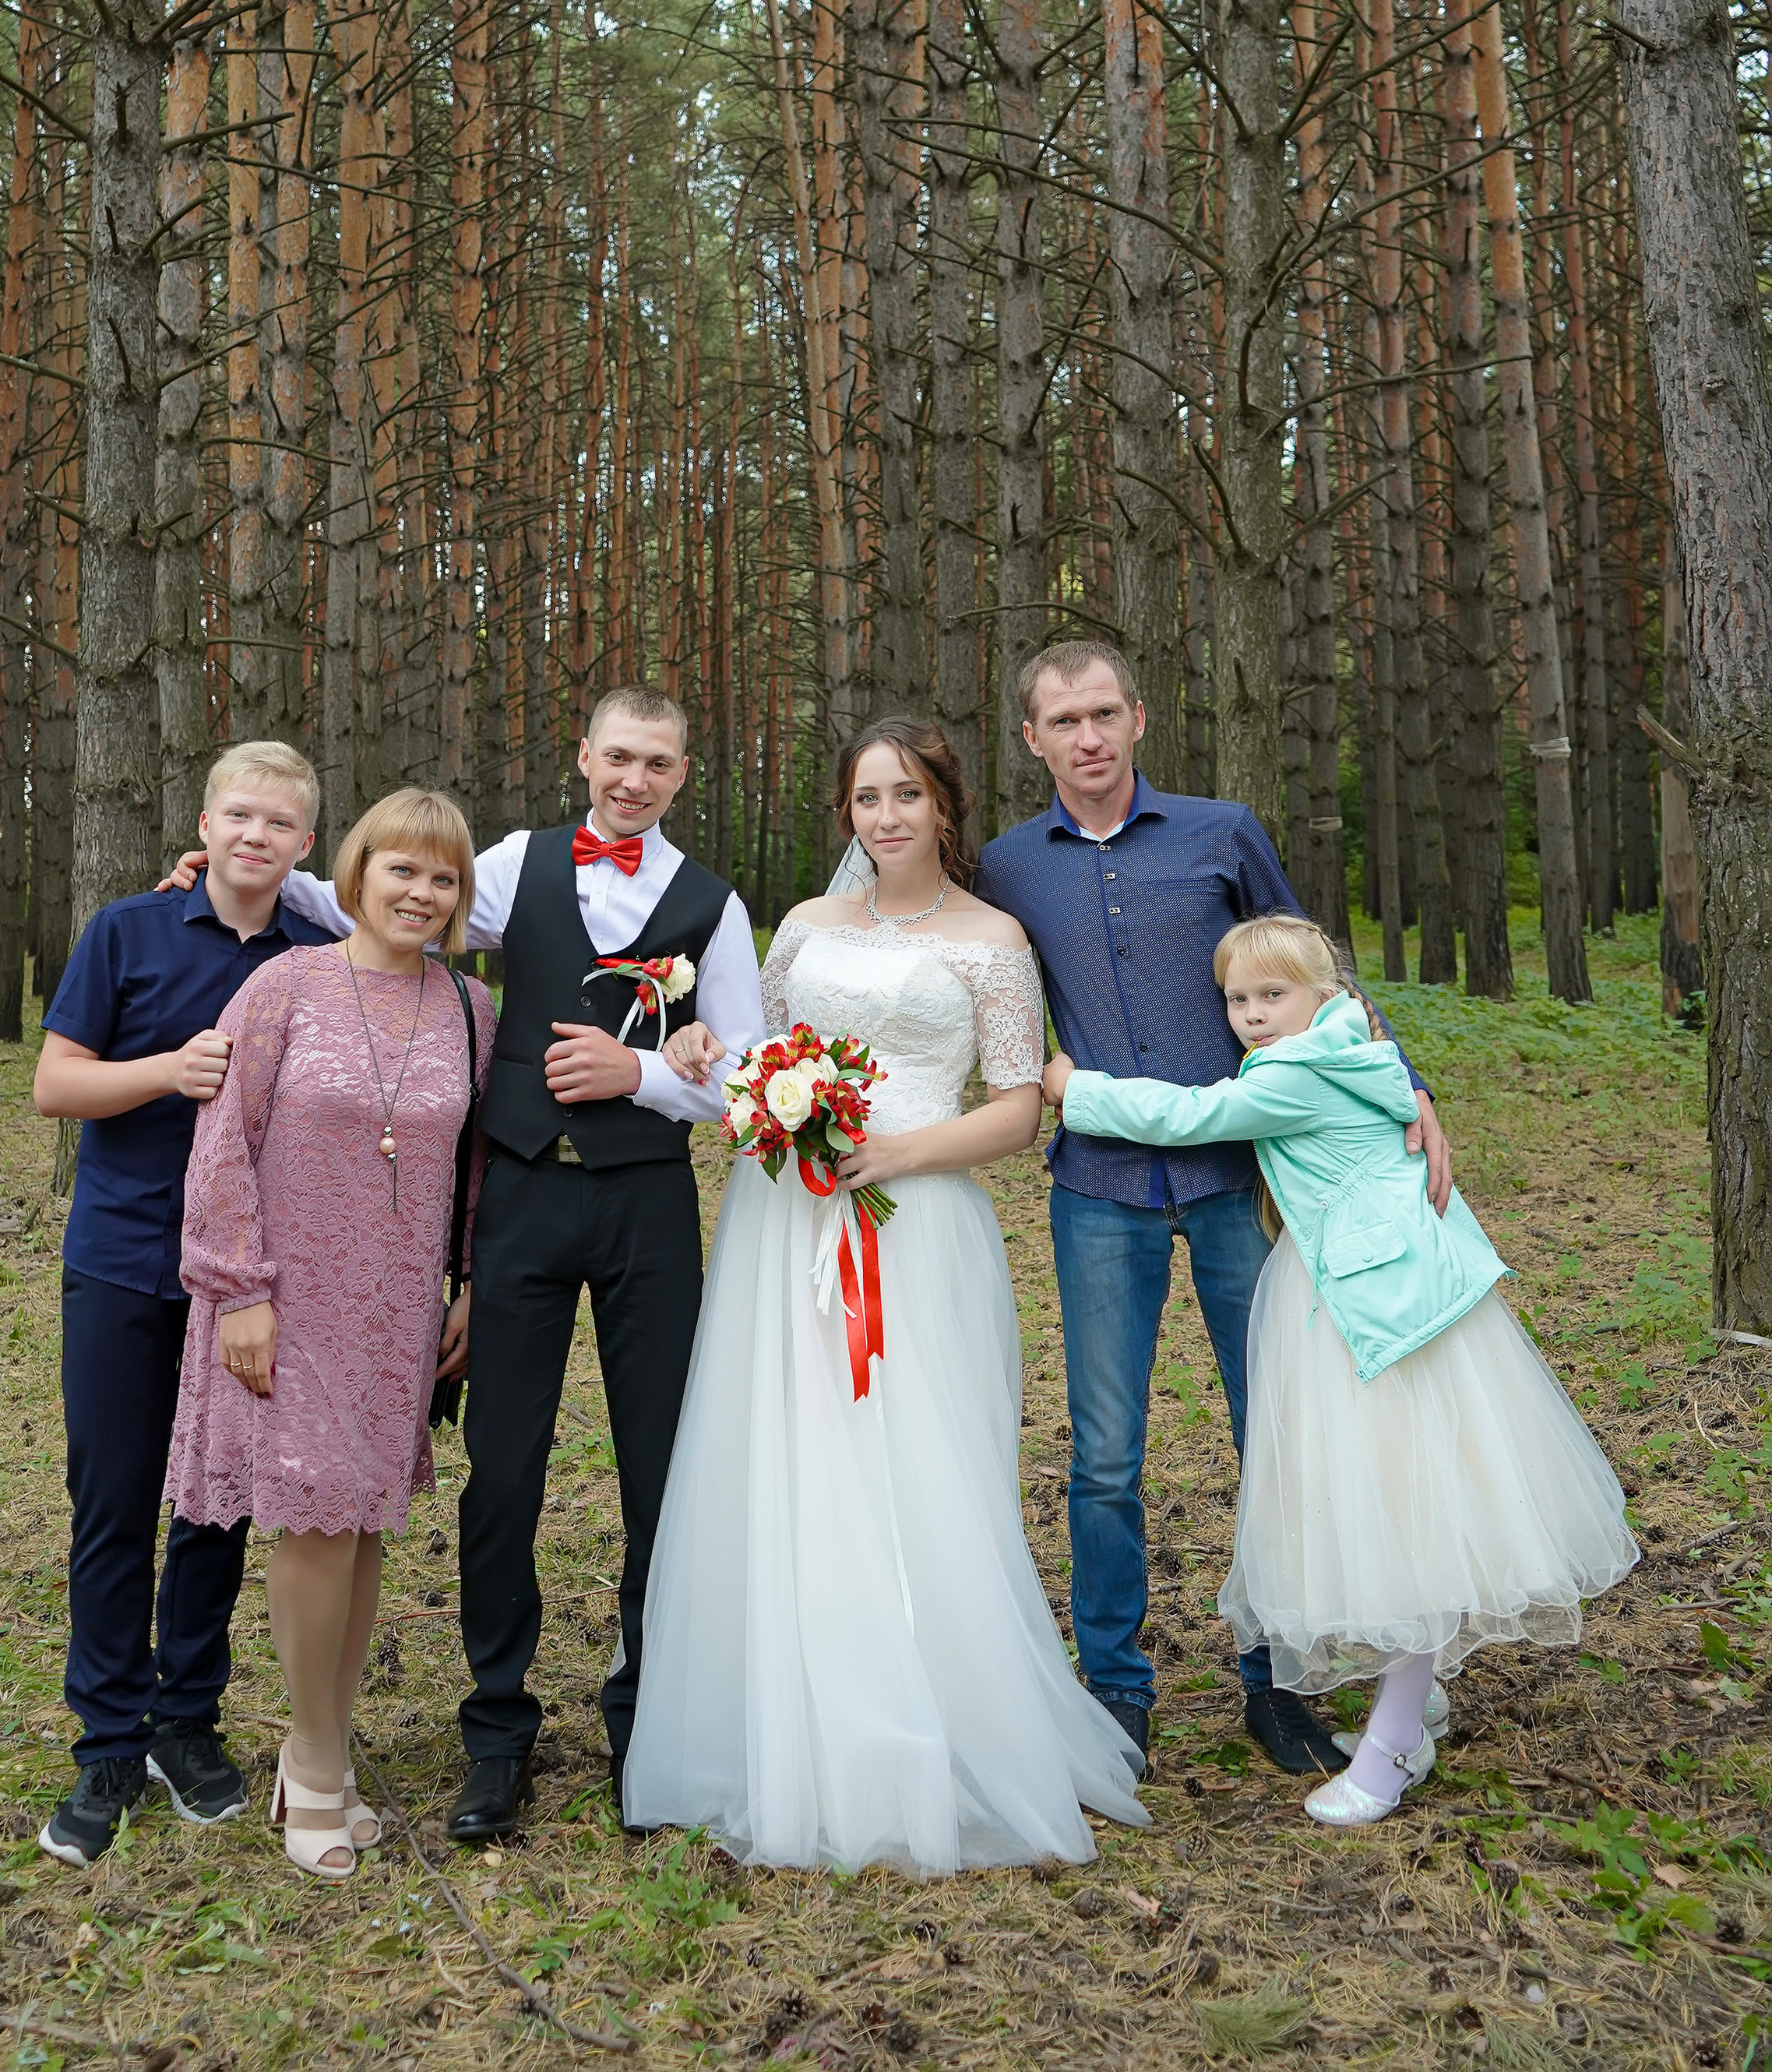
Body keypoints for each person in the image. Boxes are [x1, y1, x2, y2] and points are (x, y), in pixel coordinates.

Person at [622, 718, 1147, 1874]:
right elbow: (759, 1049)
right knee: (797, 1453)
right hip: (786, 1216)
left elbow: (1018, 1105)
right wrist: (732, 1070)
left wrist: (898, 1160)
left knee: (917, 1457)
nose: (886, 818)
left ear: (945, 807)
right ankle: (790, 1719)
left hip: (915, 1221)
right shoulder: (803, 926)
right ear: (847, 813)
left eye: (907, 795)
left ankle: (937, 1720)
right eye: (867, 798)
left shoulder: (993, 940)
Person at [255, 687, 765, 1841]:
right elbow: (384, 899)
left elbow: (748, 1075)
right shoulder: (516, 863)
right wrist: (246, 872)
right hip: (522, 1201)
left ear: (683, 774)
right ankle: (498, 1731)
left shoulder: (713, 905)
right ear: (583, 754)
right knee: (504, 1473)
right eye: (617, 757)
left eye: (657, 764)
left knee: (658, 1470)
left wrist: (643, 1078)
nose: (632, 780)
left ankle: (651, 1724)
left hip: (647, 1205)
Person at [974, 640, 1453, 1784]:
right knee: (1104, 1457)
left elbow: (1317, 976)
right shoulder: (1005, 868)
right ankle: (1115, 1697)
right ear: (1031, 740)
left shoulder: (1221, 832)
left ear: (1139, 718)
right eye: (1063, 722)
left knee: (1276, 1434)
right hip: (1100, 1191)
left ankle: (1279, 1685)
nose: (1087, 739)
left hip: (1244, 1185)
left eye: (1104, 714)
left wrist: (1409, 1082)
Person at [1042, 913, 1636, 1824]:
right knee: (1410, 1496)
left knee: (1396, 1510)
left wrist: (1076, 1090)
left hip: (1366, 1306)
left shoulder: (1292, 1073)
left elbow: (1193, 1116)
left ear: (1322, 995)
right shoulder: (1355, 1045)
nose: (1249, 1016)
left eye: (1271, 996)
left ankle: (1394, 1746)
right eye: (1236, 1000)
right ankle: (1417, 1704)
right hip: (1398, 1286)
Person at [167, 789, 496, 1878]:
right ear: (355, 876)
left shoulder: (469, 1009)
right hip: (291, 1298)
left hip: (399, 1309)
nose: (422, 892)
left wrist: (471, 1289)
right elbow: (223, 1143)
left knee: (359, 1528)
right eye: (402, 870)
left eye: (443, 878)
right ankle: (310, 1766)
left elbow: (482, 1173)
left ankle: (330, 1750)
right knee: (308, 1523)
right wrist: (241, 1290)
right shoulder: (283, 987)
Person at [31, 742, 338, 1868]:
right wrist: (170, 1069)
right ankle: (106, 1741)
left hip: (250, 1283)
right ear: (204, 824)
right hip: (122, 1260)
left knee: (217, 1503)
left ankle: (184, 1722)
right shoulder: (130, 931)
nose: (256, 837)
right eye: (239, 817)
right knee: (113, 1502)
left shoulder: (322, 955)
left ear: (307, 845)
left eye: (280, 824)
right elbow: (55, 1083)